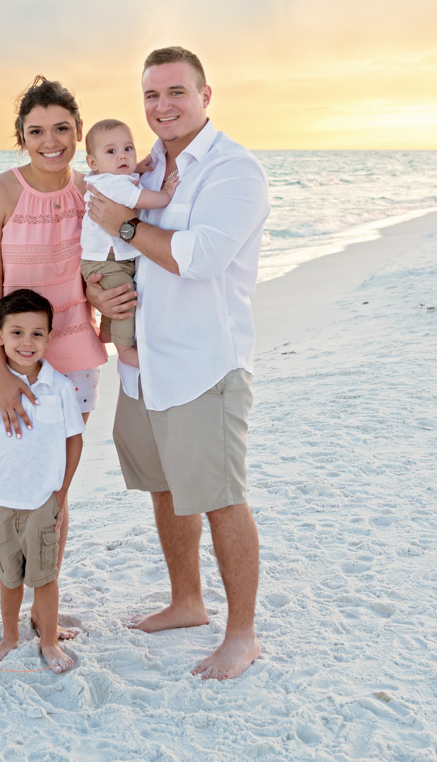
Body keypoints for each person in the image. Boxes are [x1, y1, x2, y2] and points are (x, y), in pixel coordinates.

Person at [86, 46, 270, 681]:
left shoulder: (233, 171)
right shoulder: (144, 167)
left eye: (175, 93)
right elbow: (111, 249)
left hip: (202, 365)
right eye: (150, 96)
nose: (162, 106)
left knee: (220, 497)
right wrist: (97, 292)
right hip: (144, 365)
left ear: (205, 95)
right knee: (166, 489)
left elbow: (200, 258)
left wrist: (127, 226)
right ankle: (187, 602)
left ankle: (241, 635)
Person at [0, 76, 107, 648]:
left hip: (73, 353)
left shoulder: (93, 193)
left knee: (49, 493)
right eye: (36, 130)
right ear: (20, 136)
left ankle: (44, 614)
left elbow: (110, 265)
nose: (51, 141)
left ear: (78, 132)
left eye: (62, 129)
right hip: (7, 355)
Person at [0, 289, 83, 673]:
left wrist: (61, 494)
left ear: (49, 337)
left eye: (36, 334)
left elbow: (74, 441)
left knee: (45, 576)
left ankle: (48, 641)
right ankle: (9, 635)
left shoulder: (60, 387)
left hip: (42, 502)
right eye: (16, 333)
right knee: (9, 577)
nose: (26, 343)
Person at [80, 119, 179, 366]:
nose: (122, 156)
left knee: (118, 289)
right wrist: (166, 194)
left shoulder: (103, 178)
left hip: (104, 258)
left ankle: (107, 331)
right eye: (111, 151)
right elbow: (138, 198)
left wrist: (139, 169)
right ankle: (125, 351)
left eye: (128, 149)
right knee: (124, 298)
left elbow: (126, 179)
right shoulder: (113, 183)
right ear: (93, 163)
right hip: (108, 261)